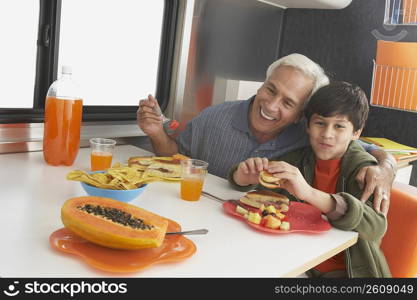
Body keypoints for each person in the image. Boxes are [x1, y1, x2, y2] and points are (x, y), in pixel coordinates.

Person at [137, 53, 396, 215]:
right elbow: (176, 160)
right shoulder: (212, 117)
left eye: (288, 103)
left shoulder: (312, 135)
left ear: (301, 115)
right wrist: (157, 133)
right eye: (271, 90)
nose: (271, 106)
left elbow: (361, 147)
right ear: (262, 85)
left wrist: (386, 168)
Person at [230, 81, 391, 278]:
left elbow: (376, 227)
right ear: (308, 126)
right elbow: (259, 186)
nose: (326, 134)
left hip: (346, 271)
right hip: (298, 262)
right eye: (320, 123)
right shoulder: (299, 159)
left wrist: (308, 193)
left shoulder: (363, 169)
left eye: (339, 126)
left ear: (356, 133)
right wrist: (242, 176)